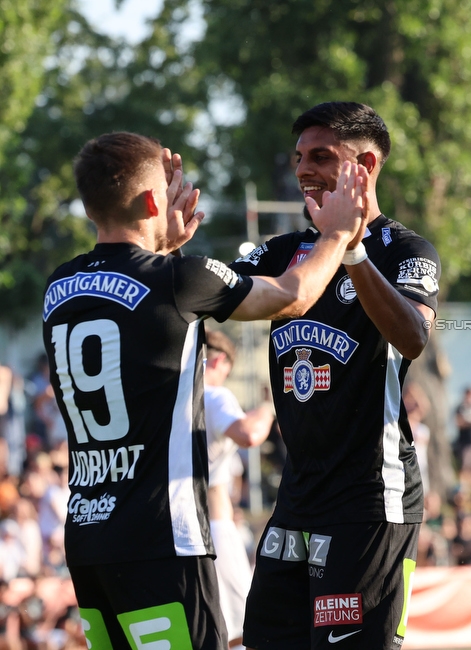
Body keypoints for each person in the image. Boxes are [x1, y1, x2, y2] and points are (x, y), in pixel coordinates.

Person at [42, 131, 367, 649]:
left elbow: (143, 316)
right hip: (162, 538)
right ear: (154, 201)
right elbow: (293, 295)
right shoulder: (180, 278)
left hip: (88, 537)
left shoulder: (59, 287)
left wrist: (161, 247)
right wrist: (336, 234)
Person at [230, 102, 440, 650]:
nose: (303, 169)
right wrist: (164, 250)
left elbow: (413, 338)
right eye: (298, 156)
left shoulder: (407, 252)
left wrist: (352, 253)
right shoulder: (281, 254)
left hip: (371, 499)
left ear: (365, 166)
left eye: (320, 156)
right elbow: (204, 299)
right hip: (296, 497)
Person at [203, 329, 274, 649]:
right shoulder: (213, 395)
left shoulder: (167, 401)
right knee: (246, 631)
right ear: (219, 361)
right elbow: (249, 433)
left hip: (171, 533)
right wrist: (268, 409)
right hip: (214, 530)